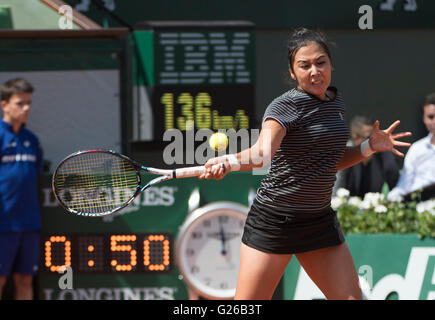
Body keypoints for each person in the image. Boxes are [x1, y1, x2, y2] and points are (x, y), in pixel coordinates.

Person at [199, 28, 411, 300]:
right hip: (274, 222)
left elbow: (329, 162)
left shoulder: (335, 103)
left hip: (318, 222)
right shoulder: (283, 107)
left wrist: (369, 147)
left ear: (331, 65)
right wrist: (229, 161)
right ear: (292, 72)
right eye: (305, 65)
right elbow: (262, 153)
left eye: (321, 62)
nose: (315, 71)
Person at [0, 78, 43, 300]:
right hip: (2, 224)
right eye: (20, 103)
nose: (25, 108)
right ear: (4, 105)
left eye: (28, 103)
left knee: (25, 280)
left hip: (29, 224)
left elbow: (34, 174)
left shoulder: (31, 140)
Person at [334, 115, 400, 198]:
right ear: (355, 137)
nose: (375, 141)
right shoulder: (343, 155)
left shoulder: (384, 154)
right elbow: (336, 195)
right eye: (369, 137)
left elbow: (397, 189)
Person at [388, 93, 435, 201]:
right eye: (431, 117)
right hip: (417, 209)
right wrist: (392, 199)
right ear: (423, 118)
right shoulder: (416, 149)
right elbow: (404, 186)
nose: (434, 122)